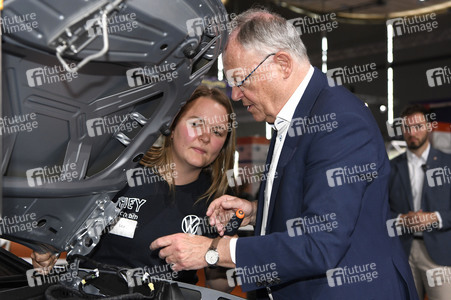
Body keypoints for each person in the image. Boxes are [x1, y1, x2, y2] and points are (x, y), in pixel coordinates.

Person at [150, 8, 419, 299]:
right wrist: (255, 213)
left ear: (282, 64)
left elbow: (320, 242)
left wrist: (213, 251)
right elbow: (312, 205)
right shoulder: (292, 116)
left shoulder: (338, 120)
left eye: (240, 80)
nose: (235, 95)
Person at [31, 85, 236, 292]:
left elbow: (218, 283)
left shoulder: (219, 201)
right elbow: (63, 226)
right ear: (172, 126)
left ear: (223, 145)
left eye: (217, 131)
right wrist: (47, 248)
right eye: (196, 124)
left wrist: (229, 254)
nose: (206, 137)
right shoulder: (122, 168)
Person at [389, 105, 451, 300]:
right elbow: (380, 210)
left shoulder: (448, 164)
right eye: (407, 128)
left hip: (440, 253)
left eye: (417, 127)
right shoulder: (390, 167)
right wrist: (400, 220)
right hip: (403, 252)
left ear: (429, 127)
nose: (412, 133)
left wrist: (435, 218)